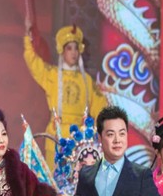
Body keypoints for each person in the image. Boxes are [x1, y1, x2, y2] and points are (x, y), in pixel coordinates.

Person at [24, 22, 108, 167]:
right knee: (55, 178)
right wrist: (27, 38)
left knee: (77, 178)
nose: (73, 52)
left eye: (76, 48)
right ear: (62, 51)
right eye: (69, 48)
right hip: (56, 136)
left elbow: (101, 107)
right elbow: (33, 62)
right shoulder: (52, 75)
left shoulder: (87, 81)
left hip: (79, 139)